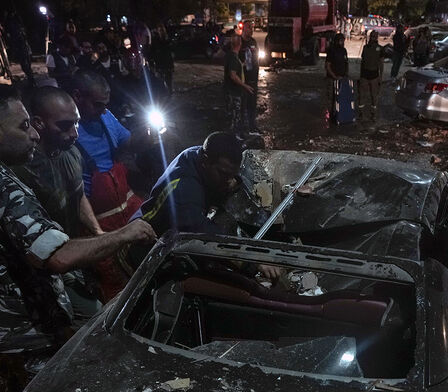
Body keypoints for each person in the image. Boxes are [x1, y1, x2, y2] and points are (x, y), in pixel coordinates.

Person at [0, 79, 155, 392]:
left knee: (16, 388)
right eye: (25, 125)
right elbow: (58, 256)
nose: (34, 134)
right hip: (22, 330)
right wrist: (125, 233)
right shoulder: (2, 186)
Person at [126, 132, 283, 280]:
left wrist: (233, 181)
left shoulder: (197, 155)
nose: (229, 180)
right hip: (144, 248)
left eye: (232, 174)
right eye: (223, 174)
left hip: (175, 230)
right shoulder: (184, 190)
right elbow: (205, 236)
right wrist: (252, 259)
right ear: (205, 161)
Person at [14, 86, 104, 322]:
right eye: (64, 125)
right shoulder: (22, 169)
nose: (74, 133)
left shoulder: (72, 153)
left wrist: (97, 232)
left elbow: (79, 195)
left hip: (70, 254)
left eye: (76, 124)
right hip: (42, 265)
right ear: (38, 123)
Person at [62, 70, 144, 299]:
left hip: (126, 207)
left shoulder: (105, 117)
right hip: (97, 220)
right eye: (98, 105)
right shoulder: (66, 132)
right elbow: (74, 193)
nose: (104, 110)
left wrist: (148, 133)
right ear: (77, 97)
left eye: (105, 104)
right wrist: (97, 233)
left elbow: (127, 142)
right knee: (113, 281)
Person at [224, 34, 254, 137]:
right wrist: (245, 86)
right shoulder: (233, 57)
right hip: (234, 92)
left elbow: (235, 68)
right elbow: (233, 75)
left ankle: (234, 136)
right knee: (235, 116)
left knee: (234, 115)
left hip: (232, 91)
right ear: (239, 44)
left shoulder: (232, 55)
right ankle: (233, 139)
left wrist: (243, 64)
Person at [358, 30, 386, 121]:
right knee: (362, 95)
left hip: (374, 75)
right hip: (364, 74)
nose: (373, 38)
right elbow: (363, 62)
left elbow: (381, 64)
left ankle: (373, 114)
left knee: (374, 95)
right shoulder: (365, 47)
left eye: (375, 36)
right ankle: (361, 113)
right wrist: (360, 75)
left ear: (377, 37)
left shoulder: (380, 49)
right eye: (372, 36)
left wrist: (380, 77)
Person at [239, 20, 261, 133]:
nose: (251, 30)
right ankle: (242, 128)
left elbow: (256, 58)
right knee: (242, 105)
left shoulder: (253, 42)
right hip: (242, 81)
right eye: (249, 28)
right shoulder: (239, 42)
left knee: (252, 105)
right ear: (243, 29)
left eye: (252, 28)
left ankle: (253, 126)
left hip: (253, 79)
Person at [325, 33, 349, 122]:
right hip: (332, 78)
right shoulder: (331, 51)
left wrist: (345, 75)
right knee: (331, 97)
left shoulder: (344, 50)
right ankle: (330, 115)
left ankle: (340, 114)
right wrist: (334, 76)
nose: (343, 42)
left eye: (343, 40)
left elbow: (346, 63)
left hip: (342, 79)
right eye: (341, 41)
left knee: (341, 98)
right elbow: (327, 66)